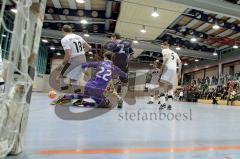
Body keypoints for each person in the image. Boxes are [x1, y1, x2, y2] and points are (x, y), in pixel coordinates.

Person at [53, 52, 128, 107]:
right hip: (98, 90)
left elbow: (83, 65)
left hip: (88, 86)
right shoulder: (115, 68)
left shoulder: (99, 63)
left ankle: (64, 98)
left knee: (85, 95)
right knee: (107, 105)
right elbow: (125, 75)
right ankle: (79, 103)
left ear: (105, 57)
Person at [60, 24, 91, 93]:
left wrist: (63, 63)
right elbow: (89, 47)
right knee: (74, 79)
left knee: (62, 75)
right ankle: (78, 97)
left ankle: (64, 96)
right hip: (83, 59)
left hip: (75, 60)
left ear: (62, 30)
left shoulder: (65, 39)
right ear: (71, 30)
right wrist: (82, 52)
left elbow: (68, 54)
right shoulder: (79, 37)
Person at [110, 33, 133, 108]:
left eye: (111, 38)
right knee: (125, 83)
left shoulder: (113, 44)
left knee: (111, 81)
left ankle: (107, 97)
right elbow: (132, 55)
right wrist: (126, 60)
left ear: (114, 37)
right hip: (124, 64)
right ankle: (121, 99)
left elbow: (112, 55)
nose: (111, 39)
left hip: (116, 63)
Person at [158, 42, 182, 110]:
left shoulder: (164, 50)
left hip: (167, 69)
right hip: (174, 70)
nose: (161, 47)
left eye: (162, 45)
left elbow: (165, 59)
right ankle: (170, 105)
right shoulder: (175, 53)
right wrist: (179, 72)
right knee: (170, 88)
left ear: (167, 45)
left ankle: (163, 104)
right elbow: (180, 62)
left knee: (161, 87)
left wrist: (161, 69)